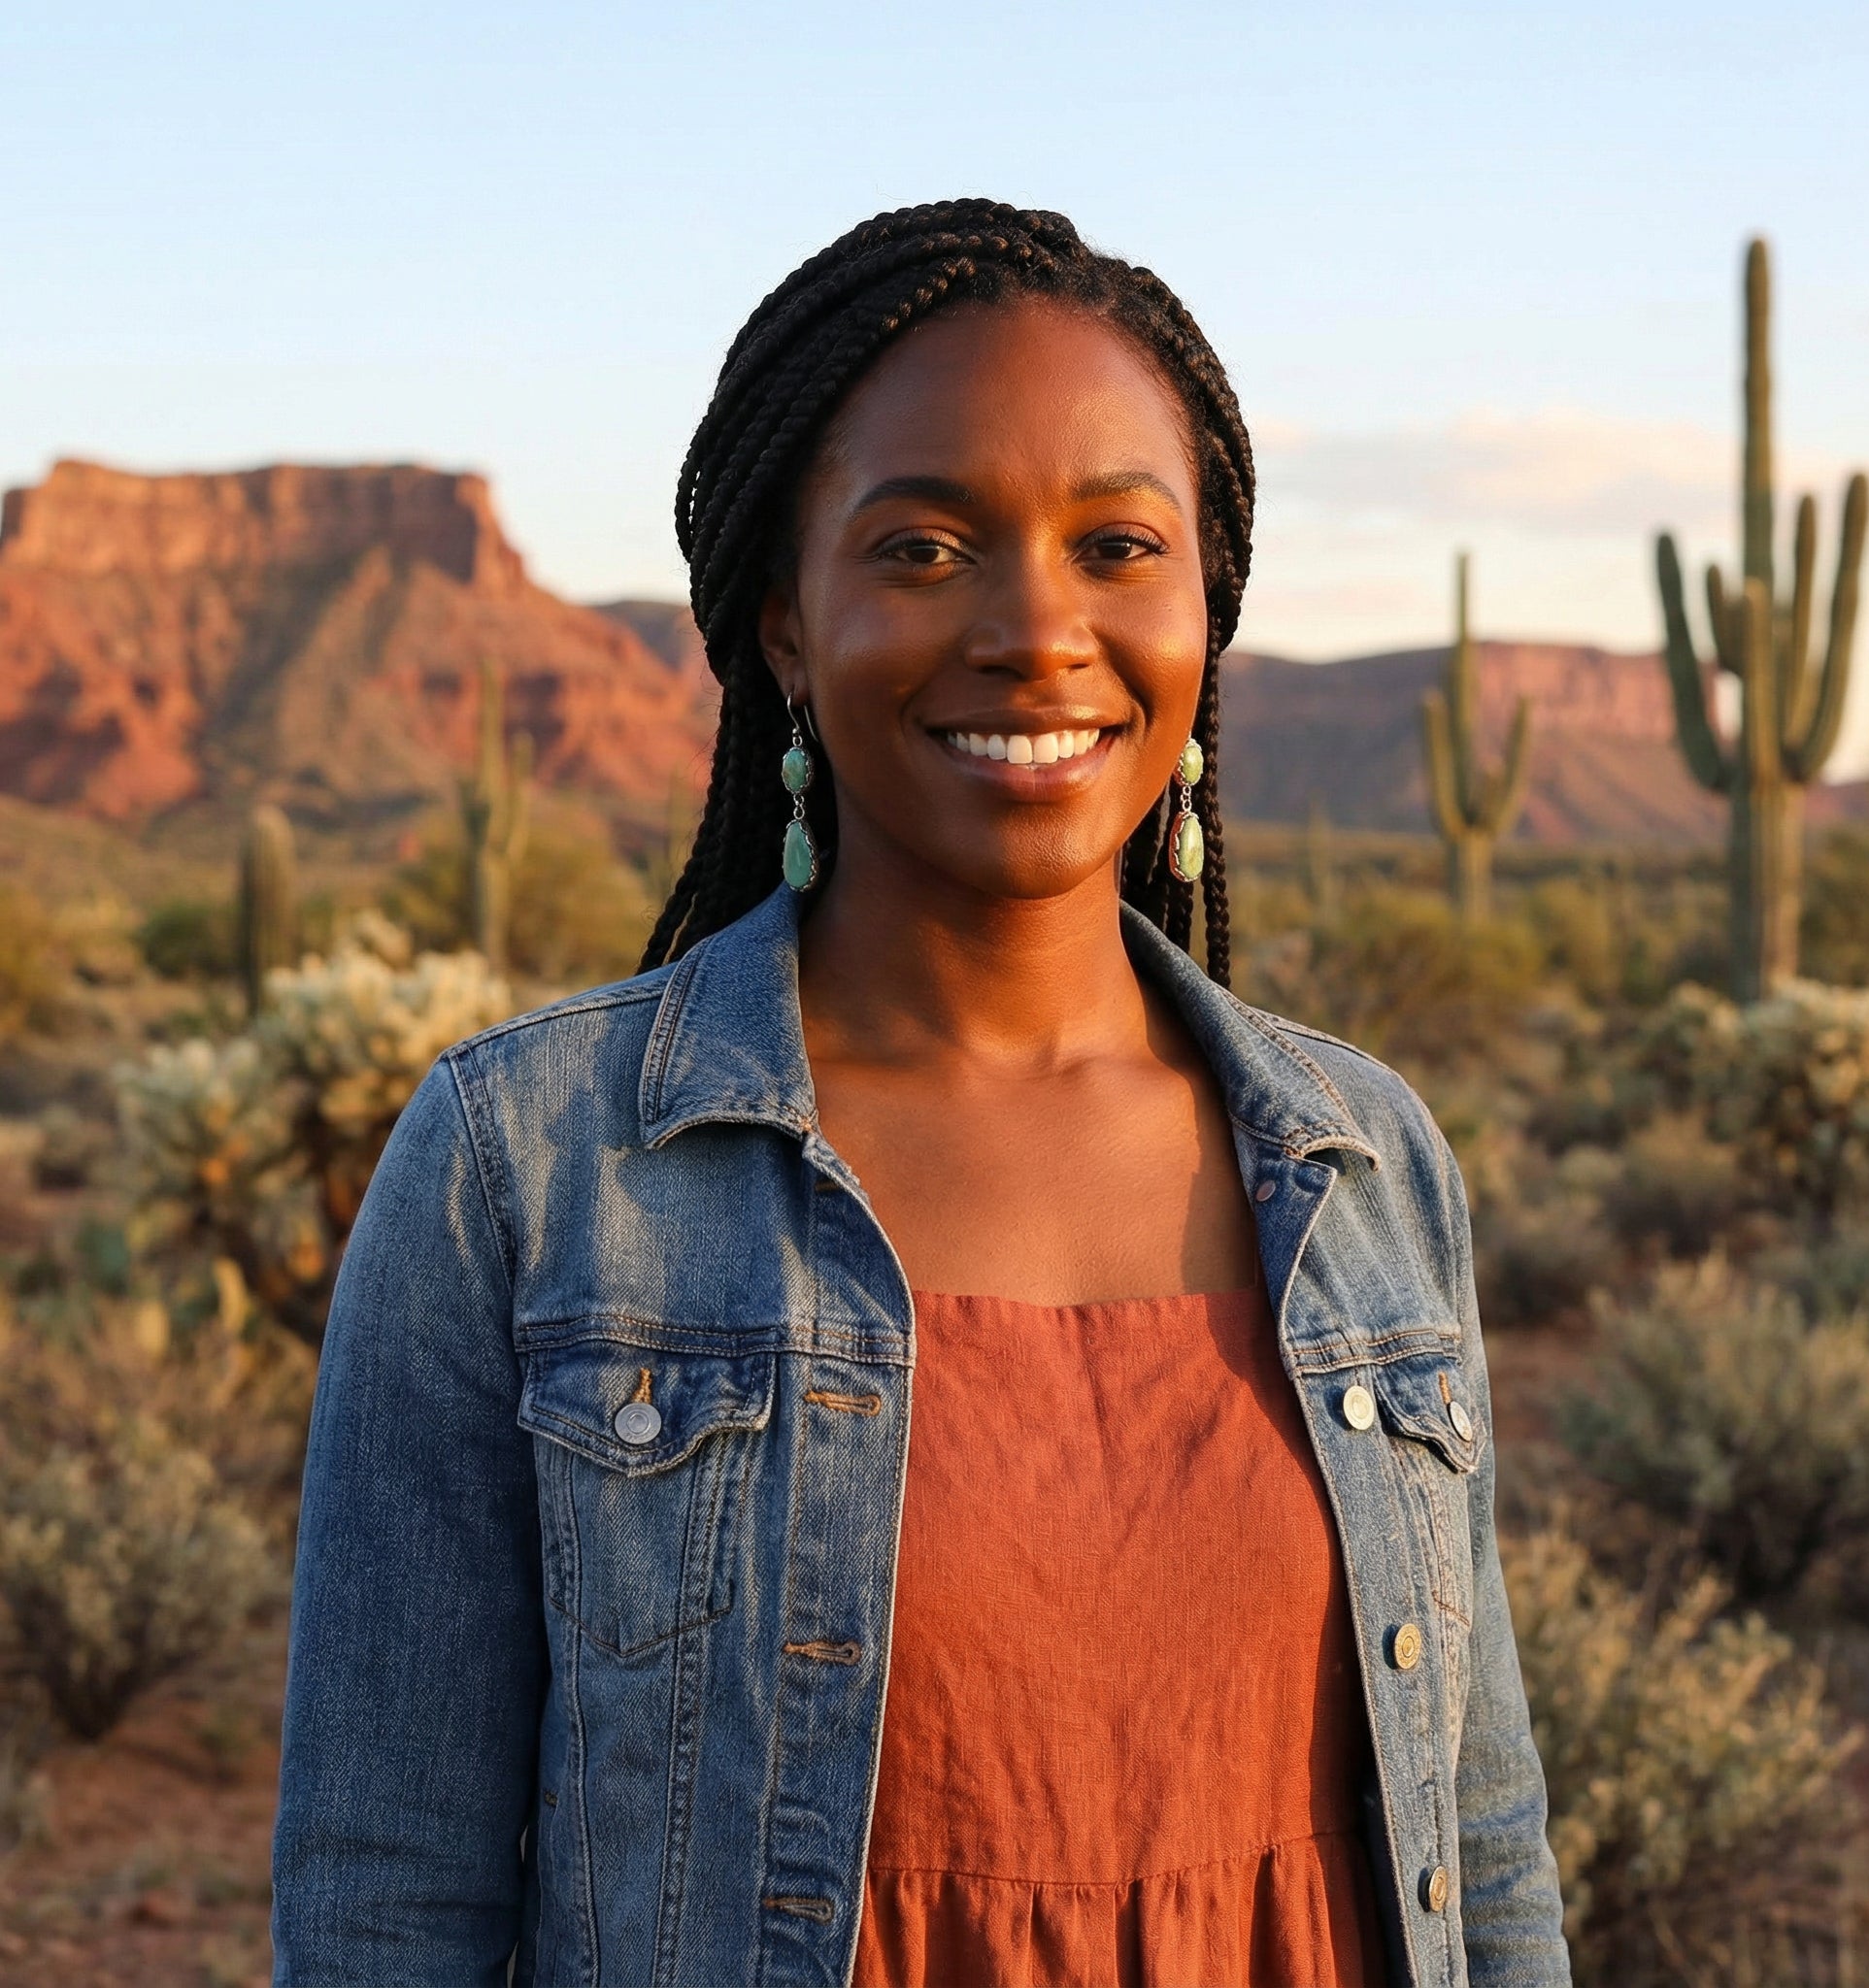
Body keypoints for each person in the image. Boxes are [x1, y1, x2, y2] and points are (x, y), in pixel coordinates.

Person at [272, 199, 1569, 1988]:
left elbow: (1484, 1856)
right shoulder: (535, 1165)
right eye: (926, 547)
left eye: (1118, 546)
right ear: (787, 629)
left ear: (1208, 612)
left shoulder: (1365, 1163)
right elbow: (384, 1906)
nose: (1039, 630)